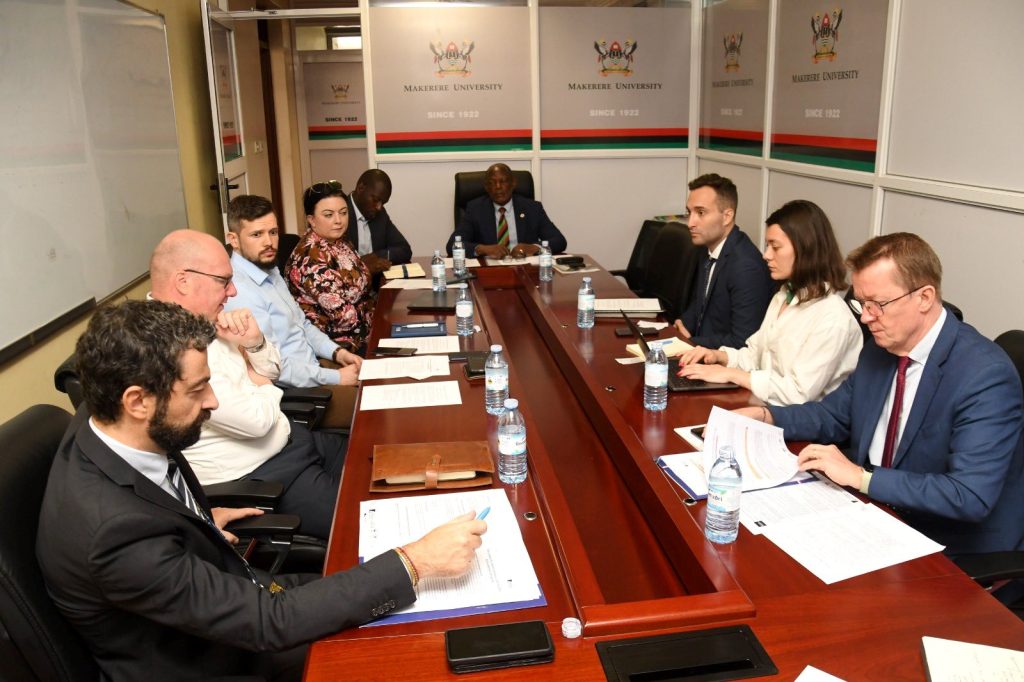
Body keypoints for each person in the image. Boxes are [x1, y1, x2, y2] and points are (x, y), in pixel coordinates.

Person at [37, 300, 486, 682]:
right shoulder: (114, 533)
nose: (212, 401)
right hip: (214, 660)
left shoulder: (108, 420)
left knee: (406, 599)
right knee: (420, 649)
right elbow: (268, 623)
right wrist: (417, 560)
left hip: (233, 592)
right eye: (197, 390)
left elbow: (142, 505)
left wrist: (193, 517)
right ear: (137, 401)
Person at [735, 233, 1024, 555]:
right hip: (870, 514)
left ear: (925, 297)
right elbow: (834, 415)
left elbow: (969, 495)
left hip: (947, 545)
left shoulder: (984, 376)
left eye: (878, 305)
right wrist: (766, 416)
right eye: (861, 303)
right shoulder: (882, 348)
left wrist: (862, 477)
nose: (865, 317)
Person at [150, 229, 346, 539]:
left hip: (293, 442)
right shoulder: (165, 346)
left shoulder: (205, 318)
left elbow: (270, 367)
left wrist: (254, 346)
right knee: (369, 516)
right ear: (183, 281)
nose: (232, 293)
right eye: (223, 281)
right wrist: (264, 383)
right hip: (264, 476)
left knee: (374, 457)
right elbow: (255, 421)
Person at [677, 200, 862, 406]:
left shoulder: (833, 317)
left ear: (806, 250)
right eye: (767, 246)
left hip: (801, 427)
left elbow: (798, 393)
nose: (766, 255)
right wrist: (718, 356)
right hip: (765, 406)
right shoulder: (784, 296)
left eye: (775, 247)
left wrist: (731, 375)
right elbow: (756, 355)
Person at [224, 194, 360, 428]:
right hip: (298, 392)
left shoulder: (268, 268)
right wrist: (337, 377)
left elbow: (302, 325)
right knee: (374, 409)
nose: (269, 242)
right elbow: (274, 367)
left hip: (314, 368)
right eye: (257, 234)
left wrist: (338, 353)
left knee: (383, 380)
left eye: (273, 232)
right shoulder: (240, 292)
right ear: (233, 240)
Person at [673, 173, 774, 349]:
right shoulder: (707, 248)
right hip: (701, 352)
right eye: (690, 212)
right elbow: (701, 303)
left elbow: (742, 342)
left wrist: (686, 343)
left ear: (727, 217)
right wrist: (681, 326)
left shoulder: (746, 267)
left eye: (701, 213)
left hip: (726, 365)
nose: (690, 223)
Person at [287, 182, 376, 353]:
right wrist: (379, 322)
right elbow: (344, 317)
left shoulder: (339, 241)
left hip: (362, 326)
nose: (338, 221)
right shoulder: (310, 257)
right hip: (337, 343)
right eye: (328, 215)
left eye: (343, 213)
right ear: (311, 220)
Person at [447, 163, 567, 259]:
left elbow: (559, 241)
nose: (498, 187)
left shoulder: (532, 208)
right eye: (492, 183)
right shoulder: (475, 209)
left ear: (513, 183)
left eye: (503, 181)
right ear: (486, 187)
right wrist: (483, 249)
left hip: (525, 271)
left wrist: (534, 247)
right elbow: (452, 245)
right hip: (489, 273)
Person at [347, 168, 412, 276]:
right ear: (360, 188)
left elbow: (404, 250)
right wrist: (361, 263)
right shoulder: (340, 213)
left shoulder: (380, 214)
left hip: (377, 286)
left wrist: (376, 256)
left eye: (383, 203)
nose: (379, 207)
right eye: (376, 200)